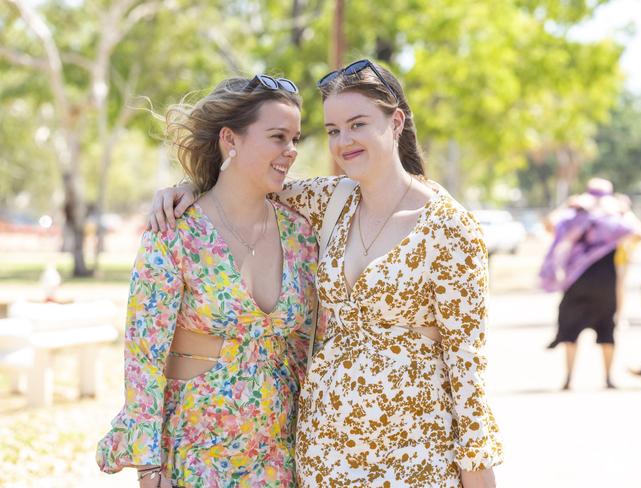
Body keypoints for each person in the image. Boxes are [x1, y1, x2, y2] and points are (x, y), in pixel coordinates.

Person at [150, 59, 503, 488]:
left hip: (415, 450)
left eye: (357, 124)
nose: (344, 141)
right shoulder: (328, 202)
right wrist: (186, 188)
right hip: (325, 453)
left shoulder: (449, 226)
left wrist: (478, 471)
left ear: (395, 123)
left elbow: (467, 365)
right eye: (334, 130)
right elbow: (245, 181)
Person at [97, 75, 319, 487]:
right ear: (230, 139)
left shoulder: (301, 233)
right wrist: (148, 468)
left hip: (279, 455)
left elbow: (307, 349)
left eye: (295, 139)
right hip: (197, 453)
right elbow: (144, 357)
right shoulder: (176, 231)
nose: (291, 152)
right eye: (277, 137)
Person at [540, 178, 641, 390]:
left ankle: (568, 378)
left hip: (575, 282)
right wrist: (624, 210)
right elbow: (639, 233)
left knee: (570, 329)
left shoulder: (575, 216)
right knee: (606, 330)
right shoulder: (615, 220)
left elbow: (549, 224)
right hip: (606, 283)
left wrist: (567, 205)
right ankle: (608, 378)